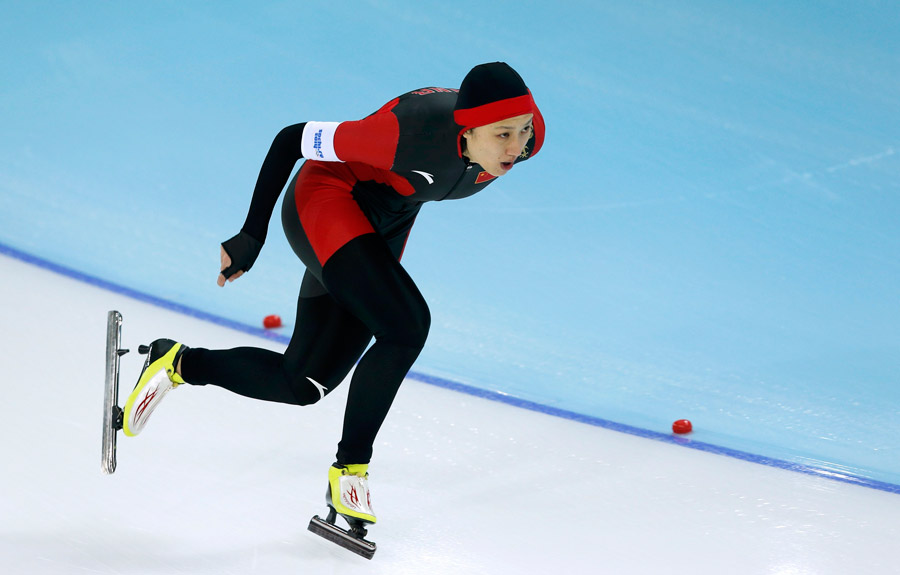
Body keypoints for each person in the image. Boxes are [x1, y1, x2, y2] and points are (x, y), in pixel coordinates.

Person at [121, 62, 545, 529]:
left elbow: (513, 135)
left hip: (384, 224)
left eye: (523, 131)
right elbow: (291, 138)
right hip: (327, 199)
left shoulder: (526, 137)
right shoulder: (400, 134)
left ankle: (176, 362)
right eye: (503, 135)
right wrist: (250, 235)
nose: (517, 146)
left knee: (302, 383)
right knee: (406, 327)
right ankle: (350, 472)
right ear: (466, 129)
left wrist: (517, 132)